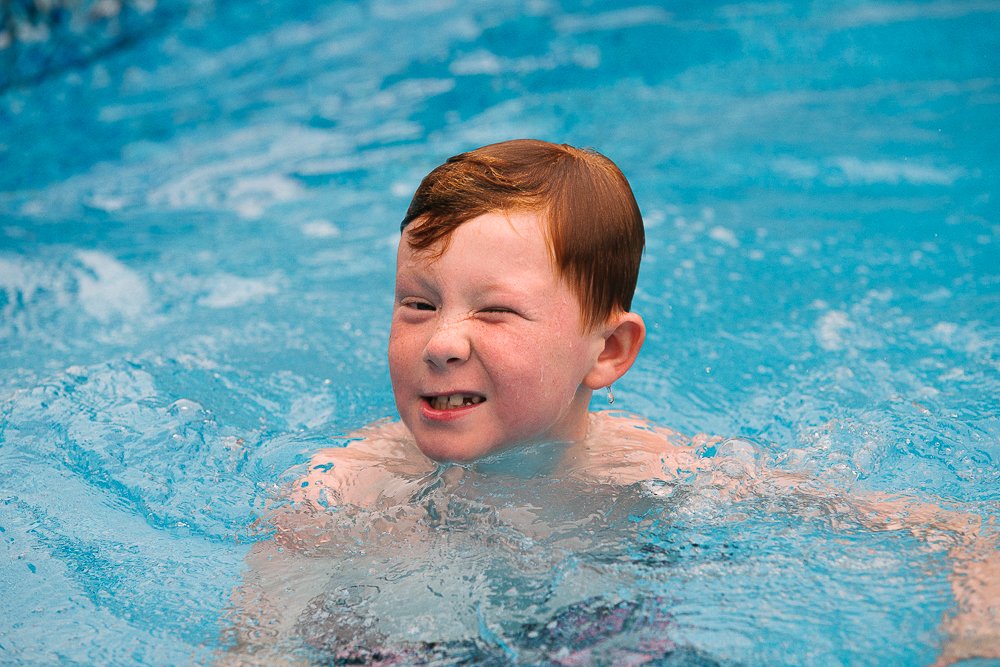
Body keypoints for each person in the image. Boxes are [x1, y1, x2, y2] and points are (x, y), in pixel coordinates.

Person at [228, 140, 998, 665]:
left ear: (607, 352)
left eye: (493, 311)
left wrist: (975, 632)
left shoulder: (649, 473)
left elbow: (956, 531)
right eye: (417, 304)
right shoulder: (338, 490)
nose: (442, 342)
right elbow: (254, 641)